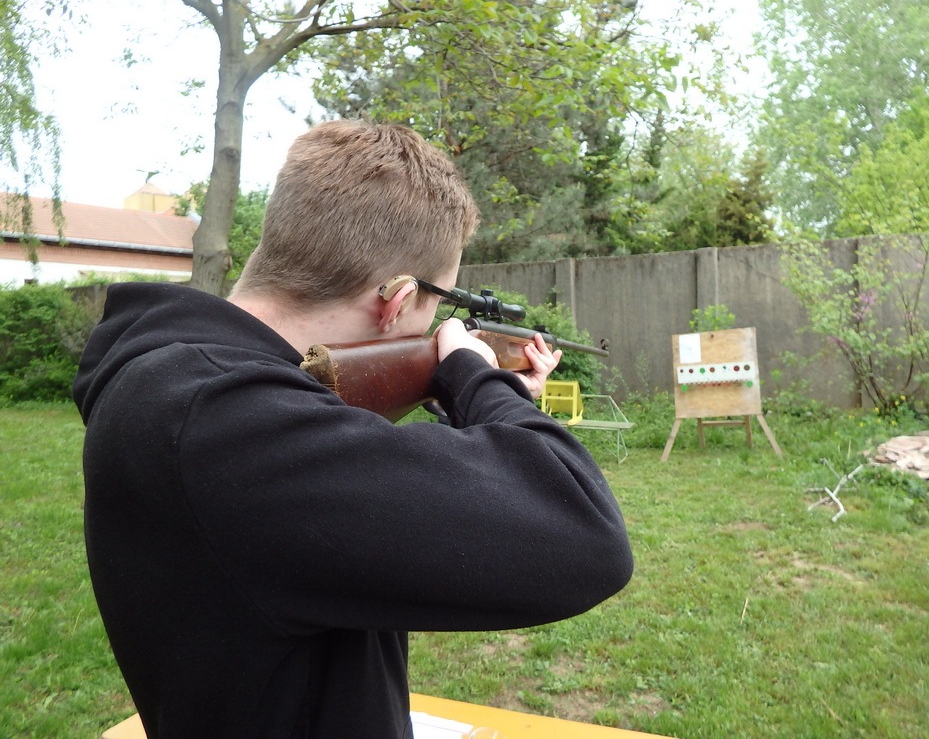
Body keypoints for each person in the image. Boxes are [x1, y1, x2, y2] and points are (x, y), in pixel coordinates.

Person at [73, 119, 633, 739]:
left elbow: (345, 482)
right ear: (398, 299)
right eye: (438, 302)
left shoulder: (178, 384)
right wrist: (477, 378)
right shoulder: (221, 421)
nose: (431, 322)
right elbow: (586, 535)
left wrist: (481, 399)